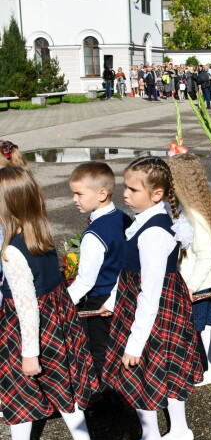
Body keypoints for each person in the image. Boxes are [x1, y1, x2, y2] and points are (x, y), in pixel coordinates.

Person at [102, 157, 202, 440]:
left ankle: (151, 438)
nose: (126, 194)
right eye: (126, 187)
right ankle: (179, 430)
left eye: (133, 189)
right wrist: (111, 300)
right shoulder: (149, 220)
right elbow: (131, 272)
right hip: (149, 305)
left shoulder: (154, 231)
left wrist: (134, 342)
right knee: (166, 368)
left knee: (141, 370)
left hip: (152, 311)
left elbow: (150, 292)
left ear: (156, 194)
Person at [0, 166, 100, 440]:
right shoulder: (39, 236)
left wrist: (30, 353)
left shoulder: (12, 252)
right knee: (63, 388)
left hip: (26, 332)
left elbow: (26, 305)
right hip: (57, 325)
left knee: (15, 390)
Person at [67, 162, 132, 380]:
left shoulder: (94, 235)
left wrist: (61, 305)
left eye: (79, 194)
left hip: (101, 298)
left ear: (102, 193)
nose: (74, 199)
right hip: (124, 291)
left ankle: (106, 395)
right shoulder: (123, 217)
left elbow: (85, 281)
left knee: (99, 351)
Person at [169, 153, 211, 388]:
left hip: (200, 284)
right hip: (197, 282)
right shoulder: (190, 208)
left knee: (203, 329)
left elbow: (207, 257)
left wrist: (190, 285)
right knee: (203, 329)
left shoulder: (196, 216)